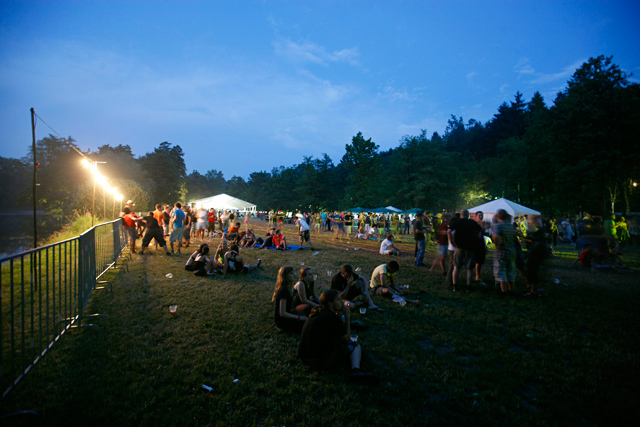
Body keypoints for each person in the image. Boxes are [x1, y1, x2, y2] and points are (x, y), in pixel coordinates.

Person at [298, 289, 379, 383]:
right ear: (331, 304)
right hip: (318, 361)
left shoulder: (317, 311)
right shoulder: (333, 318)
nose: (342, 302)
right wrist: (347, 316)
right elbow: (347, 340)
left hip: (304, 357)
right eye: (339, 300)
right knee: (355, 346)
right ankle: (356, 370)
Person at [448, 209, 482, 292]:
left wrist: (451, 242)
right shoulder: (472, 222)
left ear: (461, 215)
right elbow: (480, 230)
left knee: (456, 267)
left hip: (459, 247)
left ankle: (455, 286)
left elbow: (449, 231)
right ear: (468, 215)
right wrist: (478, 238)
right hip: (470, 247)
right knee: (469, 268)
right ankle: (468, 286)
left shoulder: (456, 222)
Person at [272, 266, 307, 333]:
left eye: (293, 273)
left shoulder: (288, 287)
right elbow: (282, 313)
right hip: (283, 321)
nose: (294, 275)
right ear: (285, 276)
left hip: (289, 313)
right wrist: (298, 317)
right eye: (291, 273)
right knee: (308, 325)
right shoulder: (283, 291)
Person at [492, 209, 518, 295]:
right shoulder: (511, 225)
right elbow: (515, 235)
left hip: (502, 250)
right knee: (511, 271)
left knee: (501, 270)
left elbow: (495, 236)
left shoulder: (499, 226)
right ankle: (511, 289)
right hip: (512, 250)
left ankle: (504, 291)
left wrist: (497, 245)